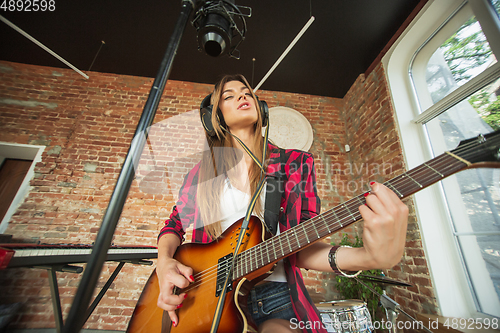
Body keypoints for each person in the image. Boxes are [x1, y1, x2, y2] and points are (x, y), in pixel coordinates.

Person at [156, 74, 409, 333]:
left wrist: (366, 257)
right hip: (207, 301)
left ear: (260, 107)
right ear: (214, 118)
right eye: (228, 96)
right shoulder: (200, 175)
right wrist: (163, 262)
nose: (242, 96)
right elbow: (174, 226)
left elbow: (303, 246)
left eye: (246, 92)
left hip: (277, 299)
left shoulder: (295, 164)